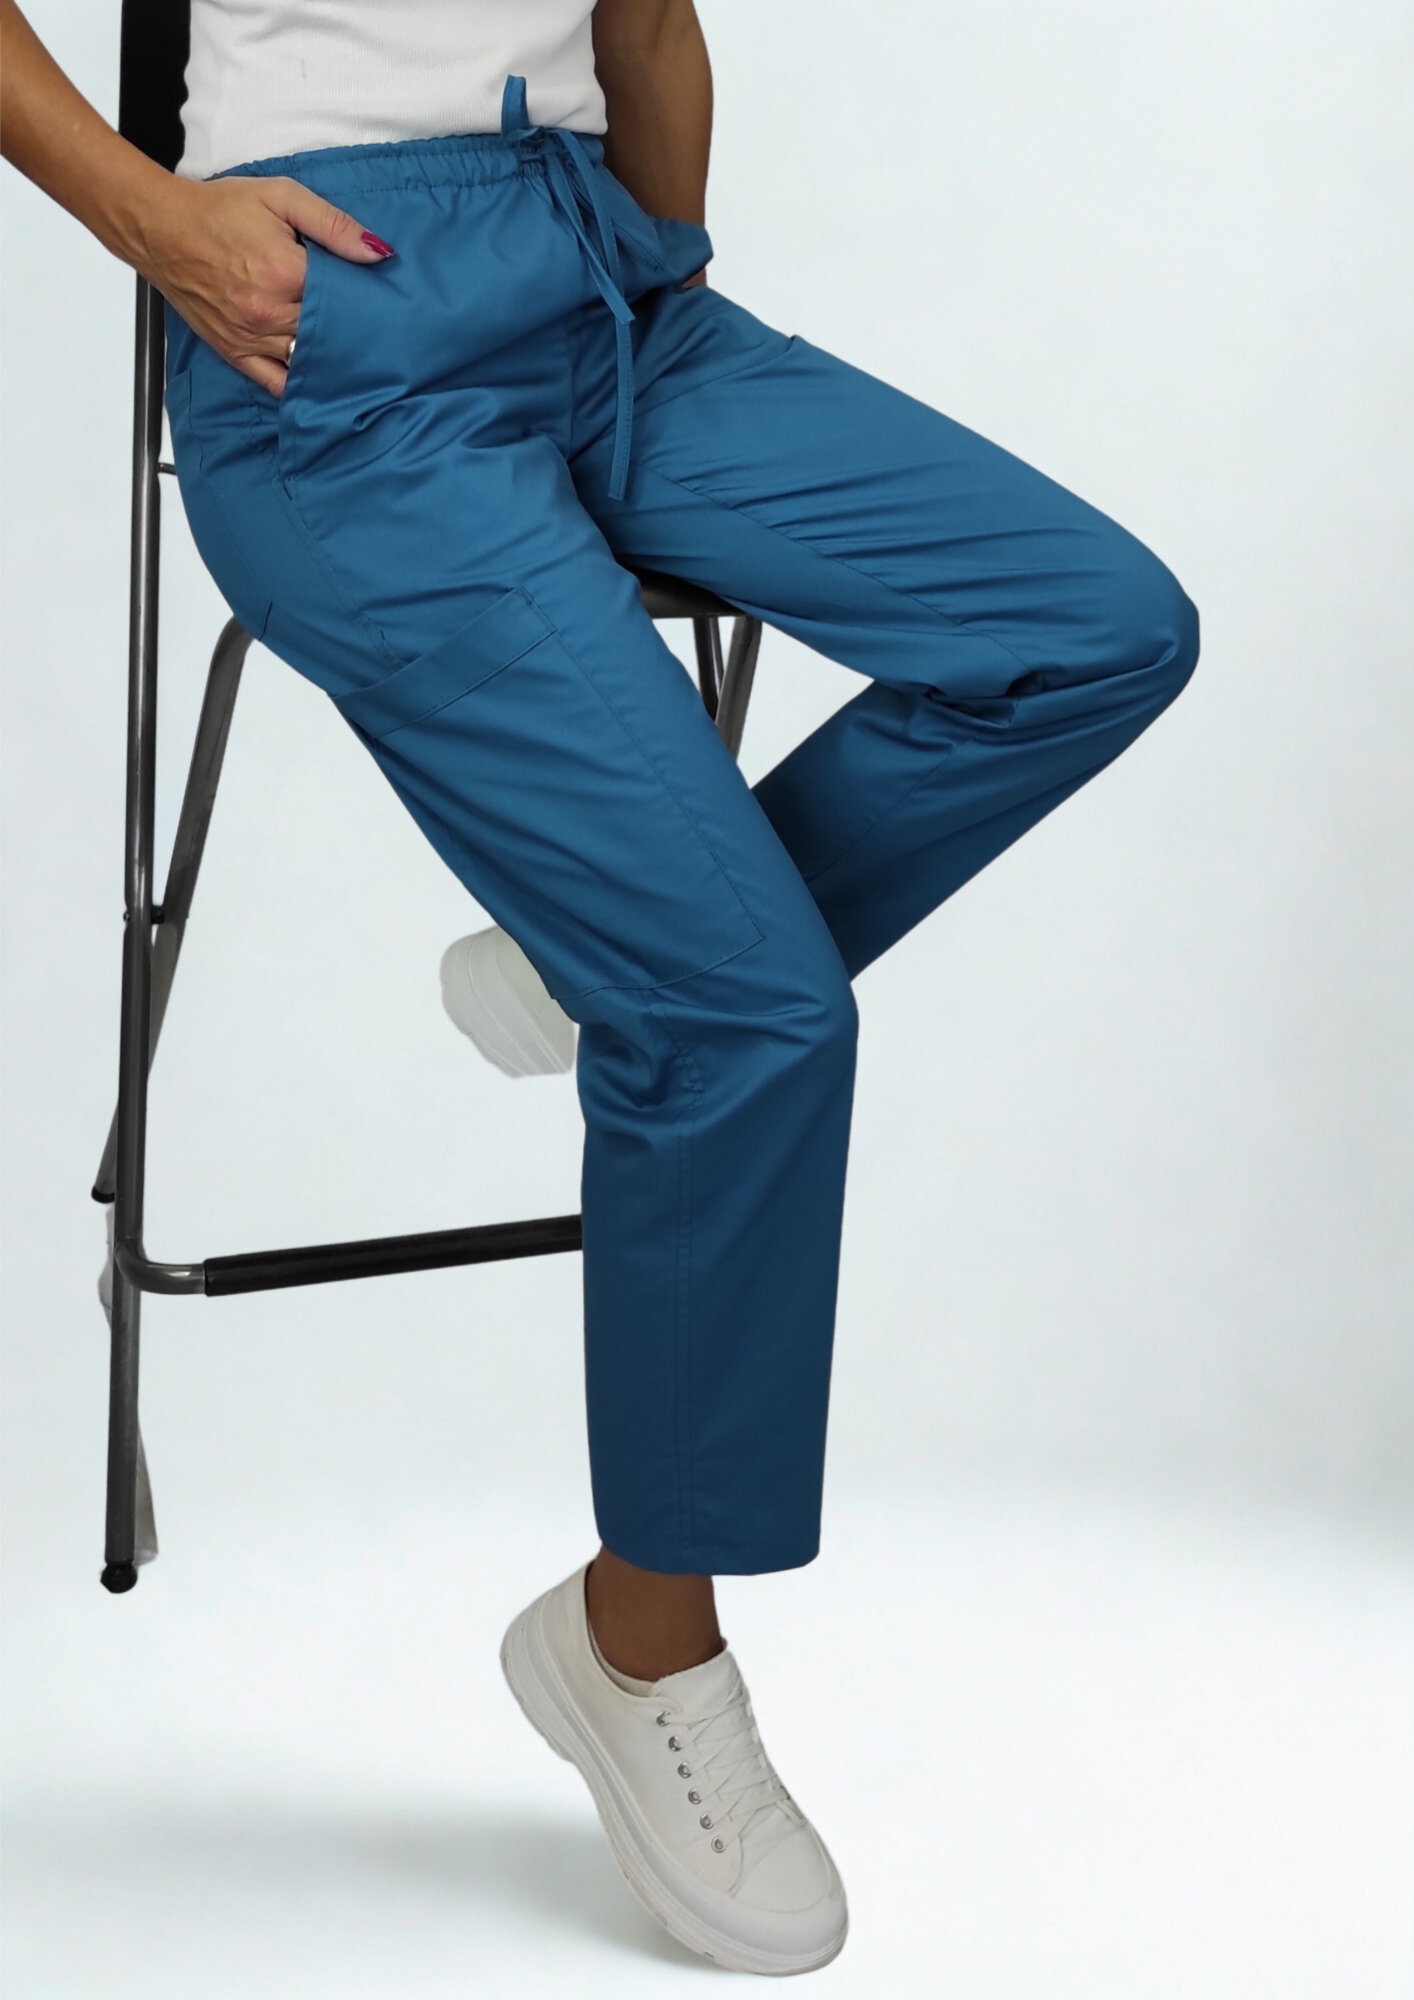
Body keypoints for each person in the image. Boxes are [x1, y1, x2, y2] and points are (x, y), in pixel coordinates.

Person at [1, 0, 1199, 1974]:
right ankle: (637, 1646)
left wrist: (654, 267)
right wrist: (155, 222)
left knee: (1090, 626)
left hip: (602, 283)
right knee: (749, 1019)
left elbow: (643, 18)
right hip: (330, 341)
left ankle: (619, 945)